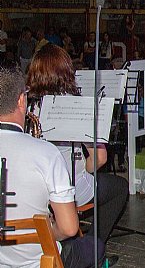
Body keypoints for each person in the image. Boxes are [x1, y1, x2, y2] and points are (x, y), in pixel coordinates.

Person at [0, 66, 104, 268]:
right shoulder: (46, 153)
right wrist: (46, 229)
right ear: (21, 100)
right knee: (95, 247)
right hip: (36, 261)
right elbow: (69, 229)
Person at [27, 44, 129, 245]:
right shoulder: (74, 104)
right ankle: (92, 246)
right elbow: (100, 158)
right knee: (119, 188)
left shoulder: (27, 106)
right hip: (69, 189)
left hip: (34, 190)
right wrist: (82, 168)